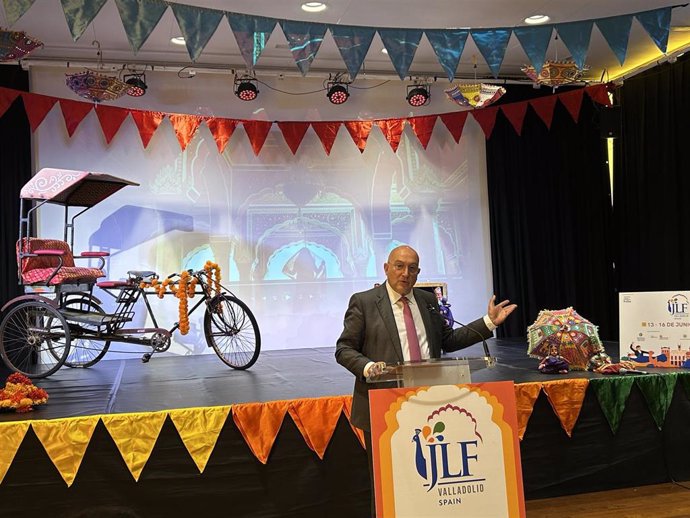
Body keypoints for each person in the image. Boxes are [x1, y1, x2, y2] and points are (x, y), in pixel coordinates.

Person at [334, 245, 517, 517]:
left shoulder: (427, 301)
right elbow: (344, 349)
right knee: (388, 484)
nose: (405, 273)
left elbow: (449, 340)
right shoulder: (365, 302)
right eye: (399, 266)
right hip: (385, 406)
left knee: (428, 481)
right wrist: (368, 366)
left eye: (412, 268)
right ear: (386, 268)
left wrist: (488, 322)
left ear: (418, 273)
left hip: (427, 406)